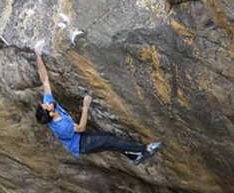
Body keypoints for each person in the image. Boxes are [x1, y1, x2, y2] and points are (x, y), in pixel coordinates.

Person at [33, 50, 161, 164]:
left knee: (110, 138)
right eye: (47, 105)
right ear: (50, 113)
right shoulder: (62, 127)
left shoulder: (50, 105)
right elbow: (81, 128)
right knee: (110, 141)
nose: (48, 102)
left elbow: (44, 80)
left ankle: (134, 156)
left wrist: (37, 55)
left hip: (80, 139)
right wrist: (85, 106)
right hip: (81, 144)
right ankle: (146, 149)